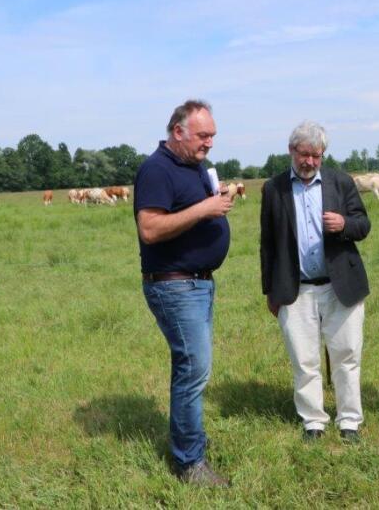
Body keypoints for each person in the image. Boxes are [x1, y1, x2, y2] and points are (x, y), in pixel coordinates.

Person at [133, 99, 233, 486]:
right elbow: (151, 229)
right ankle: (190, 463)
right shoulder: (156, 169)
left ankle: (190, 450)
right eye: (203, 135)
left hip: (198, 283)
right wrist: (206, 209)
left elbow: (195, 212)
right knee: (193, 370)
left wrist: (215, 204)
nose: (209, 143)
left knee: (194, 368)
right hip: (175, 284)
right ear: (178, 131)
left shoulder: (192, 167)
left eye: (212, 136)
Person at [260, 121, 371, 443]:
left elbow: (363, 225)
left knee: (347, 355)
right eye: (304, 154)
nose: (309, 161)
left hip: (341, 287)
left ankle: (349, 421)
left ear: (323, 154)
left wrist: (345, 224)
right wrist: (270, 290)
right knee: (303, 359)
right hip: (296, 290)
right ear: (291, 151)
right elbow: (267, 244)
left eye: (316, 155)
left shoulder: (341, 182)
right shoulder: (273, 188)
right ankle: (313, 422)